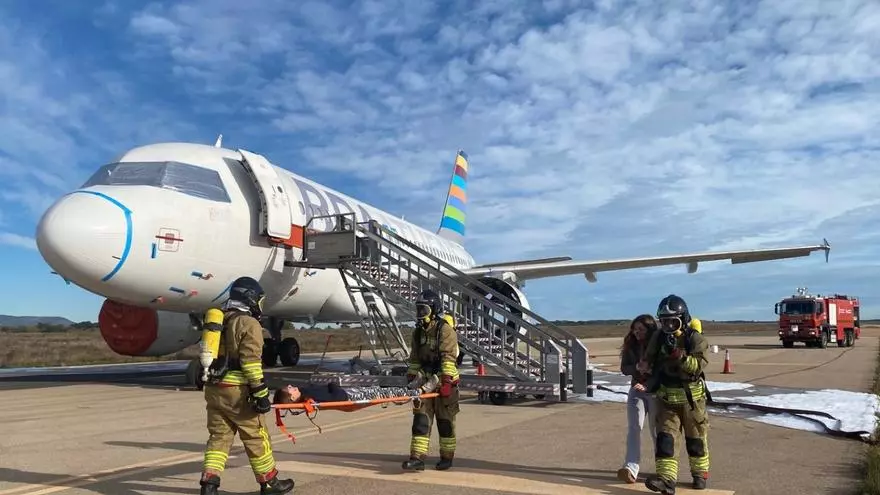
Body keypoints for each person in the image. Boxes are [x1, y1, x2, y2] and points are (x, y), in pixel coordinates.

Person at [198, 276, 295, 495]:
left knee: (219, 438)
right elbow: (251, 363)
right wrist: (260, 394)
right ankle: (269, 483)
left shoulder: (218, 321)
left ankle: (209, 484)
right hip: (237, 392)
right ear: (251, 299)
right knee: (256, 436)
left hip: (214, 389)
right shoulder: (249, 324)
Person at [643, 294, 711, 494]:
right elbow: (649, 358)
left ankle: (699, 475)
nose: (669, 325)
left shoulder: (695, 339)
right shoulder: (658, 338)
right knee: (666, 440)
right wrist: (644, 366)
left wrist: (681, 357)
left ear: (683, 319)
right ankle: (666, 481)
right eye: (665, 321)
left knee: (696, 440)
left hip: (692, 401)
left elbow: (698, 366)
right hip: (667, 400)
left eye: (673, 321)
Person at [402, 289, 461, 471]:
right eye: (418, 309)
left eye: (424, 309)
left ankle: (447, 457)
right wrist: (411, 379)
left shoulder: (445, 330)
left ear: (434, 310)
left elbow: (448, 359)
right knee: (421, 421)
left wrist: (446, 382)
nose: (420, 313)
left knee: (445, 424)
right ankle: (417, 458)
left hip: (444, 382)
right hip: (425, 382)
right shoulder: (417, 333)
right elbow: (415, 359)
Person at [616, 314, 660, 484]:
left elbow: (664, 368)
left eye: (641, 329)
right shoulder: (631, 344)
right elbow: (624, 368)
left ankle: (663, 469)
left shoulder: (659, 344)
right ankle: (630, 468)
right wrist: (636, 367)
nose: (637, 332)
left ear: (650, 329)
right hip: (636, 390)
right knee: (634, 428)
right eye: (635, 329)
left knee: (656, 431)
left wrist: (649, 375)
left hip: (655, 391)